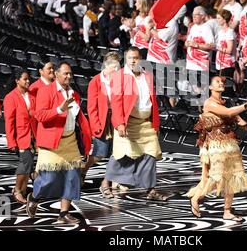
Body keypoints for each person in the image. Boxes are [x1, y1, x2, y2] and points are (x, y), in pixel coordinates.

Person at [26, 62, 91, 224]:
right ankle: (34, 197)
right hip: (51, 142)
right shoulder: (45, 91)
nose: (69, 76)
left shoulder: (74, 94)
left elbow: (79, 119)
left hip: (70, 141)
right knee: (49, 179)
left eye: (70, 74)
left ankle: (63, 214)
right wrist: (59, 109)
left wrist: (87, 139)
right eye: (65, 74)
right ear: (56, 74)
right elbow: (39, 116)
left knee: (72, 177)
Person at [187, 76, 247, 221]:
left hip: (230, 144)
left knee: (232, 177)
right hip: (214, 145)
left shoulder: (226, 103)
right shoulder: (209, 103)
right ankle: (196, 198)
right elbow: (228, 113)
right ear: (210, 87)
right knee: (216, 176)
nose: (221, 83)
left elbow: (236, 118)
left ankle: (227, 211)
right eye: (217, 82)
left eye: (222, 82)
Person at [105, 46, 166, 200]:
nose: (133, 61)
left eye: (136, 58)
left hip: (146, 122)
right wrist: (119, 123)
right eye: (130, 58)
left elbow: (153, 101)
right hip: (128, 122)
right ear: (126, 59)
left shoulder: (147, 75)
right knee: (122, 155)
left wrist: (155, 123)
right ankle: (105, 183)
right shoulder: (120, 76)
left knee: (151, 154)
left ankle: (150, 190)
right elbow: (116, 102)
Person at [84, 52, 121, 196]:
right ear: (106, 66)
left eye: (118, 67)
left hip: (117, 120)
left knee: (117, 153)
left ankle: (106, 183)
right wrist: (96, 125)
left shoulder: (119, 80)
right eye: (114, 67)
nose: (117, 70)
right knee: (100, 153)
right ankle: (83, 169)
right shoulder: (96, 81)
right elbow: (91, 107)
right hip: (102, 121)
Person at [3, 69, 37, 204]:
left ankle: (23, 189)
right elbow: (9, 122)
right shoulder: (10, 97)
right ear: (17, 81)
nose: (28, 81)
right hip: (21, 136)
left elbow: (36, 113)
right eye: (25, 79)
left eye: (28, 78)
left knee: (28, 164)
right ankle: (16, 190)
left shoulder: (31, 95)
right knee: (25, 163)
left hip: (33, 135)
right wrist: (11, 141)